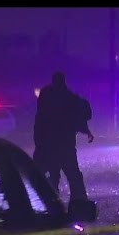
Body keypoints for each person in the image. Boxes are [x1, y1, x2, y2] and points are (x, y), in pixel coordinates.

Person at [33, 71, 92, 201]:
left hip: (47, 146)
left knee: (49, 176)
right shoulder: (69, 98)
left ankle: (49, 202)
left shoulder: (47, 96)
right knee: (72, 176)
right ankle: (78, 203)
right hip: (63, 146)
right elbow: (78, 116)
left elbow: (40, 122)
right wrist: (85, 130)